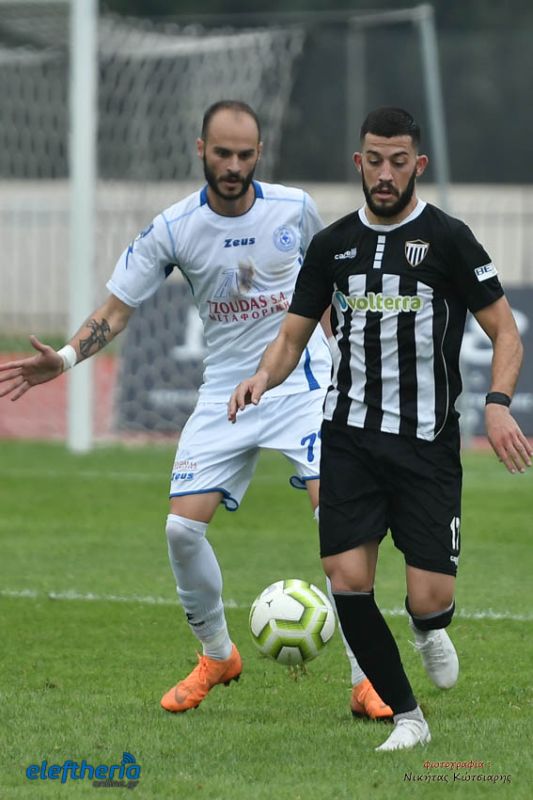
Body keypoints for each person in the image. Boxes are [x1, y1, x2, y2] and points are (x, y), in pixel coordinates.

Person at [0, 100, 390, 719]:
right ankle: (217, 655)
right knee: (181, 530)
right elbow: (116, 310)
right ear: (201, 149)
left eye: (244, 155)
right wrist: (68, 357)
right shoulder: (173, 228)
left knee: (338, 526)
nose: (233, 166)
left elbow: (330, 289)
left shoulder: (294, 208)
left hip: (303, 385)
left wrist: (350, 365)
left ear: (259, 154)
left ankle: (367, 679)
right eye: (222, 153)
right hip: (225, 391)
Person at [228, 106, 532, 751]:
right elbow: (292, 336)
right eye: (374, 161)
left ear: (418, 165)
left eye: (398, 162)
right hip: (349, 437)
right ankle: (408, 718)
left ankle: (427, 628)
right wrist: (262, 378)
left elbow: (506, 331)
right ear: (358, 164)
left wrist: (499, 402)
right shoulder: (332, 245)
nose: (385, 174)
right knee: (346, 578)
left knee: (429, 598)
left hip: (426, 445)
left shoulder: (450, 239)